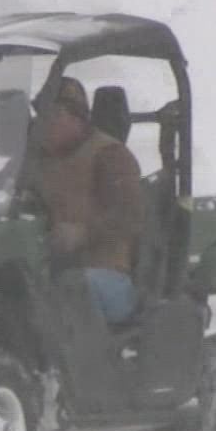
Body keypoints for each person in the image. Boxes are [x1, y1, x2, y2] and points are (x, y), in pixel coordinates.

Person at [29, 78, 144, 324]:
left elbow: (129, 217)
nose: (45, 123)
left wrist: (81, 233)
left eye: (54, 114)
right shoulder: (34, 162)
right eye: (41, 114)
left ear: (77, 118)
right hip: (47, 269)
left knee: (58, 292)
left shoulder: (110, 156)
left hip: (108, 275)